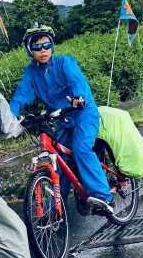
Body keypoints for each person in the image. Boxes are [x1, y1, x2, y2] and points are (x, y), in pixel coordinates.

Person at [8, 24, 114, 215]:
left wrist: (78, 98)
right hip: (61, 120)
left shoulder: (65, 63)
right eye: (37, 47)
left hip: (83, 114)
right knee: (60, 160)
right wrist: (9, 115)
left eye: (47, 45)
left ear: (52, 46)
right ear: (29, 49)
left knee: (81, 149)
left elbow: (76, 82)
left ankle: (103, 196)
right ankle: (58, 207)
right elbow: (21, 95)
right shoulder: (31, 73)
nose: (43, 51)